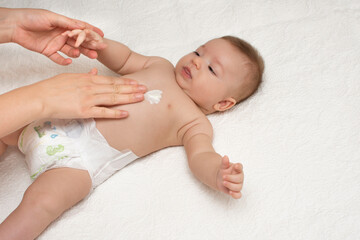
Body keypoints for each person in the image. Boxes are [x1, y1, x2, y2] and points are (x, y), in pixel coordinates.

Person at [0, 29, 264, 239]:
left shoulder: (194, 122)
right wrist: (99, 44)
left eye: (211, 69)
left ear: (223, 104)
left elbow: (201, 155)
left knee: (42, 204)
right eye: (198, 52)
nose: (196, 62)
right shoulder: (160, 65)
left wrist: (218, 172)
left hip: (79, 163)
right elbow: (125, 58)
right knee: (5, 127)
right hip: (57, 118)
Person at [0, 8, 147, 139]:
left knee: (8, 137)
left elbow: (126, 61)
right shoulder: (161, 66)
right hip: (36, 123)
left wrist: (11, 24)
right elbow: (126, 60)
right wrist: (43, 97)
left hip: (84, 147)